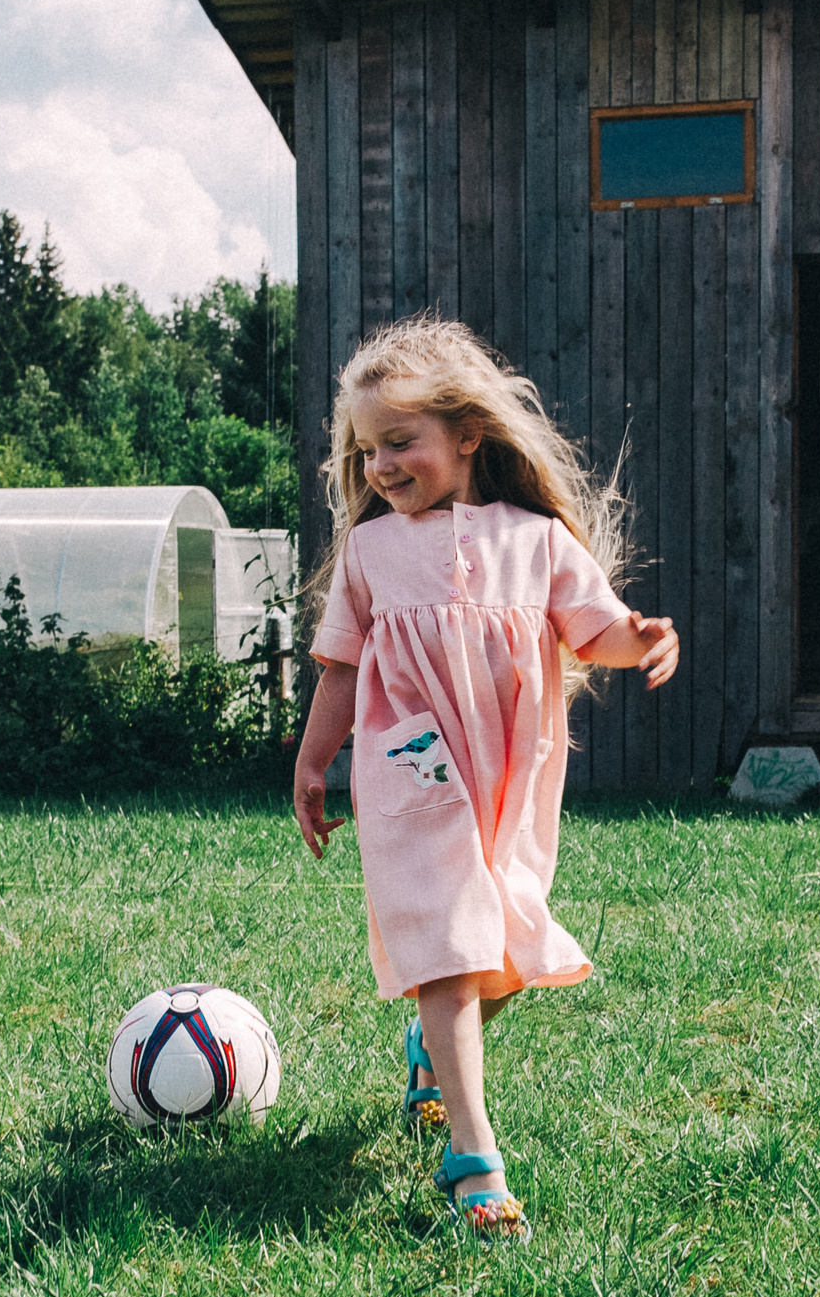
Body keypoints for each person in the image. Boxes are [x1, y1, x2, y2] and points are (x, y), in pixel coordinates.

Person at [291, 318, 679, 1239]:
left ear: (466, 435)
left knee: (495, 957)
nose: (381, 465)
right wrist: (313, 763)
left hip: (505, 784)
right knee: (453, 949)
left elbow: (596, 628)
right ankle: (474, 1156)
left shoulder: (535, 541)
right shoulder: (371, 553)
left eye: (401, 441)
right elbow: (341, 668)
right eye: (368, 448)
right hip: (407, 770)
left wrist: (644, 638)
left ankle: (431, 1051)